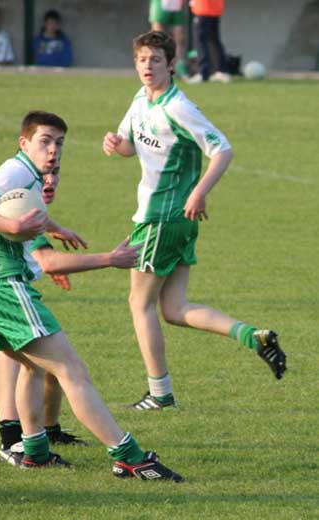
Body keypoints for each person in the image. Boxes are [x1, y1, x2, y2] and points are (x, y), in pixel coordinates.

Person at [0, 110, 184, 481]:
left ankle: (35, 452)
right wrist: (14, 225)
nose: (53, 150)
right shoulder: (14, 171)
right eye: (44, 141)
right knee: (71, 371)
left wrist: (53, 226)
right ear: (24, 142)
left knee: (33, 365)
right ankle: (130, 457)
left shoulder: (26, 176)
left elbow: (16, 205)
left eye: (59, 143)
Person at [102, 31, 287, 411]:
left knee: (139, 304)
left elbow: (222, 149)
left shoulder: (178, 106)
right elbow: (128, 145)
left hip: (162, 219)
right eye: (141, 60)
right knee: (174, 309)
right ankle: (255, 337)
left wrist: (200, 191)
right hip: (174, 221)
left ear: (171, 64)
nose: (147, 67)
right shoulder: (140, 99)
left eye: (155, 60)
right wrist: (115, 145)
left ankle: (160, 393)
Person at [0, 169, 146, 465]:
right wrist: (111, 258)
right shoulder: (18, 207)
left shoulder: (13, 201)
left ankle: (39, 443)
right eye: (44, 174)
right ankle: (15, 441)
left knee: (34, 362)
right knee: (53, 364)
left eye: (56, 173)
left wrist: (54, 231)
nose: (50, 181)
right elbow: (46, 261)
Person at [187, 0, 231, 83]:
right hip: (215, 9)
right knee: (214, 40)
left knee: (200, 41)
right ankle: (221, 70)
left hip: (203, 8)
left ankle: (202, 72)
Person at [149, 0, 188, 78]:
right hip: (160, 3)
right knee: (157, 36)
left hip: (177, 3)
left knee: (179, 37)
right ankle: (156, 67)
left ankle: (179, 67)